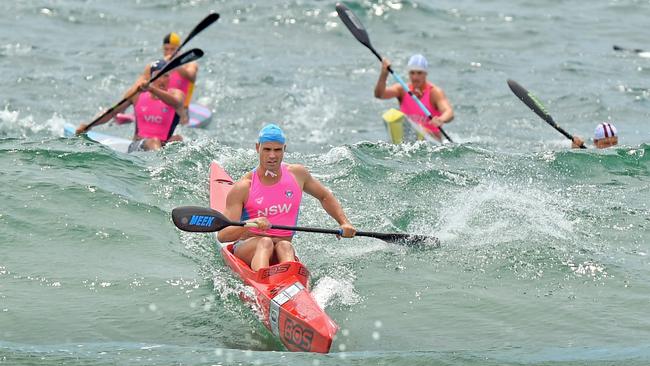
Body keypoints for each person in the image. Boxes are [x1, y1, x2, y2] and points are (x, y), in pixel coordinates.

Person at [217, 124, 357, 271]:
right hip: (247, 249)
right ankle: (264, 282)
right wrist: (250, 223)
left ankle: (292, 282)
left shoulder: (297, 174)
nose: (272, 155)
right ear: (258, 148)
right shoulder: (244, 187)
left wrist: (344, 222)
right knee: (265, 242)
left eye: (277, 150)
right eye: (267, 149)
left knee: (285, 245)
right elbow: (223, 235)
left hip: (281, 248)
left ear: (284, 148)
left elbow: (324, 196)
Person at [76, 59, 185, 152]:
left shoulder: (176, 94)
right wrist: (89, 126)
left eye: (165, 75)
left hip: (163, 145)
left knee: (178, 139)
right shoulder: (137, 95)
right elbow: (112, 112)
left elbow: (176, 103)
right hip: (137, 146)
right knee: (154, 141)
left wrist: (152, 89)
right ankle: (163, 165)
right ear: (150, 78)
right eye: (158, 76)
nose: (162, 80)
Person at [374, 54, 454, 141]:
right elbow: (380, 94)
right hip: (408, 137)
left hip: (432, 139)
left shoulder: (434, 92)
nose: (415, 77)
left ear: (425, 73)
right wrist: (384, 74)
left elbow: (449, 112)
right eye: (412, 73)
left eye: (419, 73)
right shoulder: (402, 89)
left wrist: (441, 119)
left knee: (423, 130)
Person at [130, 32, 198, 125]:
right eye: (166, 49)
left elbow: (192, 77)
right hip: (157, 106)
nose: (169, 52)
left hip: (180, 108)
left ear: (179, 50)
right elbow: (139, 85)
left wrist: (174, 64)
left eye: (172, 49)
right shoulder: (156, 66)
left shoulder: (190, 64)